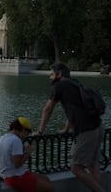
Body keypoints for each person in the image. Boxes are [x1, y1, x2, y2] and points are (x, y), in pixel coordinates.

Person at [33, 62, 105, 192]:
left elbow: (47, 109)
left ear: (59, 74)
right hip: (98, 126)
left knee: (76, 168)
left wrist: (40, 131)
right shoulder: (75, 83)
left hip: (86, 130)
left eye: (52, 74)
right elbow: (73, 110)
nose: (50, 77)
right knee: (93, 165)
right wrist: (66, 129)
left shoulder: (59, 86)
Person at [0, 117, 54, 192]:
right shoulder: (16, 140)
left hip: (6, 176)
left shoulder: (2, 138)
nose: (27, 134)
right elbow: (17, 164)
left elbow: (9, 155)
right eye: (28, 131)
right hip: (17, 178)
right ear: (23, 129)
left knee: (45, 178)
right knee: (50, 188)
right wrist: (28, 153)